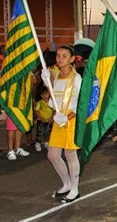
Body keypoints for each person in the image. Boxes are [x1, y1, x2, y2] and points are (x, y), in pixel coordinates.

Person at [41, 45, 82, 203]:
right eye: (58, 55)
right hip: (59, 120)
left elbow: (80, 103)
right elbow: (54, 99)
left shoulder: (76, 78)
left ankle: (75, 189)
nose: (60, 58)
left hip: (71, 120)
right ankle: (66, 184)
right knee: (53, 155)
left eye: (64, 56)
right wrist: (47, 82)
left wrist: (67, 117)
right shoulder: (57, 76)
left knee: (70, 155)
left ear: (72, 59)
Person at [34, 85, 53, 151]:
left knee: (48, 132)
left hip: (49, 120)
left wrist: (51, 118)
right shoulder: (40, 102)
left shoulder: (52, 102)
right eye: (42, 94)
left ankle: (46, 143)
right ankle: (38, 143)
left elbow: (54, 111)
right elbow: (37, 110)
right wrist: (41, 118)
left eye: (46, 94)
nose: (44, 96)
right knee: (39, 132)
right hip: (40, 120)